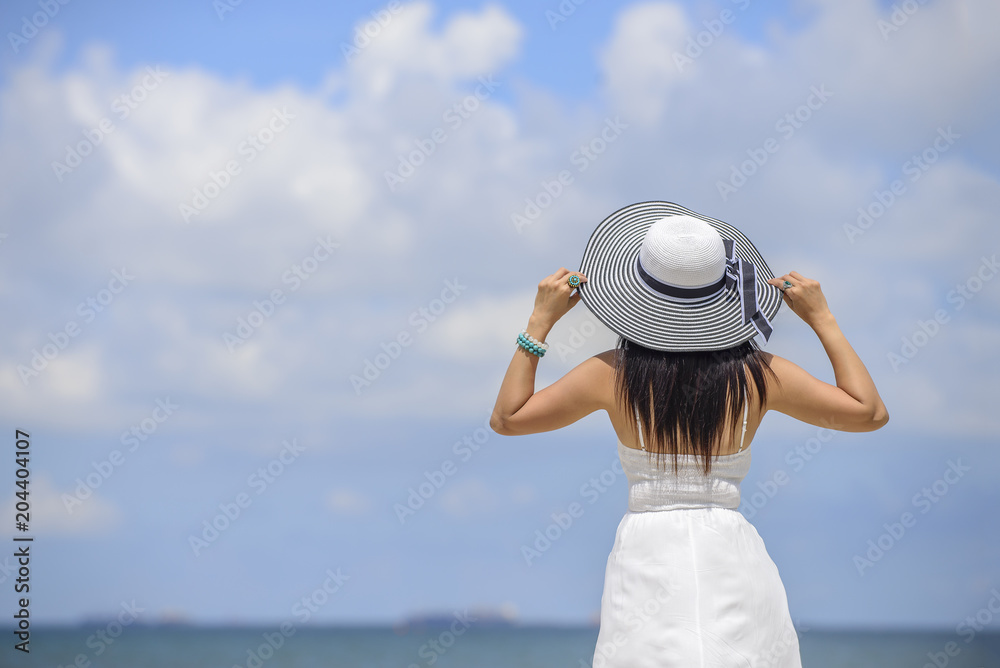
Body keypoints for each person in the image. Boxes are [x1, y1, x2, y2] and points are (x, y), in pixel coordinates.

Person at [490, 201, 889, 666]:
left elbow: (508, 418)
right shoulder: (759, 375)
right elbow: (869, 412)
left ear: (636, 293)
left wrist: (540, 320)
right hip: (730, 551)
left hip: (647, 554)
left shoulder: (611, 374)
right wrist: (822, 318)